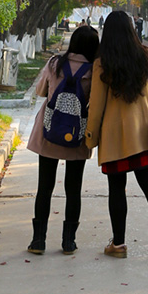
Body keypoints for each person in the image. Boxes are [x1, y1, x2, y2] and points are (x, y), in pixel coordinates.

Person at [85, 10, 148, 259]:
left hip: (115, 138)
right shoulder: (144, 55)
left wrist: (90, 138)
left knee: (117, 188)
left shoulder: (102, 63)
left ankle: (119, 244)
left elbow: (96, 106)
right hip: (142, 133)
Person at [27, 24, 100, 254]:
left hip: (49, 132)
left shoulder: (54, 63)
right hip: (76, 135)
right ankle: (69, 242)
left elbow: (41, 91)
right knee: (73, 189)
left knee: (44, 188)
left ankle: (38, 241)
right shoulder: (93, 70)